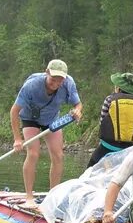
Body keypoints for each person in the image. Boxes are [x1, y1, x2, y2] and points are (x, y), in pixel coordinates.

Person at [10, 59, 83, 208]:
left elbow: (78, 103)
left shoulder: (68, 83)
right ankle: (29, 197)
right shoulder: (31, 86)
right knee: (34, 153)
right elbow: (14, 111)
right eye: (53, 79)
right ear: (47, 73)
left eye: (60, 79)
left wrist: (77, 111)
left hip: (51, 120)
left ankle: (52, 196)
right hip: (30, 118)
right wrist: (17, 139)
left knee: (58, 156)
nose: (56, 83)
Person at [87, 72, 133, 167]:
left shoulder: (109, 100)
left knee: (91, 168)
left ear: (119, 89)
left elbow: (102, 122)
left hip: (109, 147)